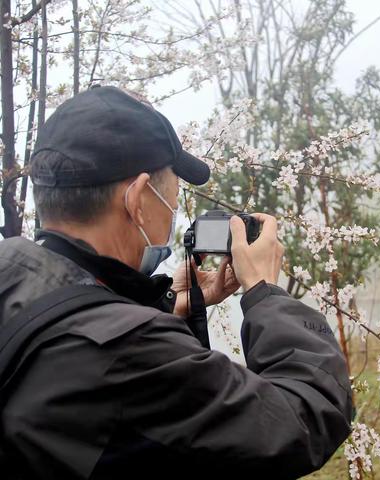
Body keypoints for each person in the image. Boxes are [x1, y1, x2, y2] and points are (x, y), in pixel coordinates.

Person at [0, 86, 352, 479]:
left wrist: (169, 305)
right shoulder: (131, 354)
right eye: (170, 199)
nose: (171, 217)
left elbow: (71, 338)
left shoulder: (10, 271)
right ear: (136, 201)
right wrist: (265, 294)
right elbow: (304, 419)